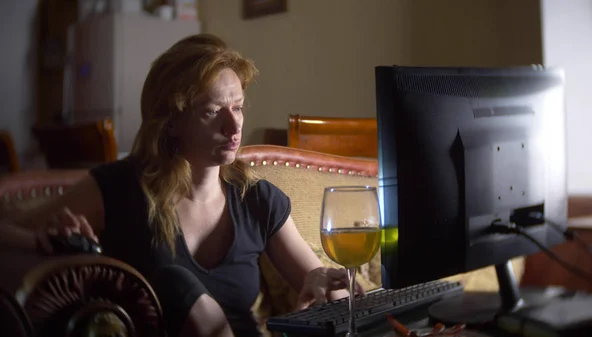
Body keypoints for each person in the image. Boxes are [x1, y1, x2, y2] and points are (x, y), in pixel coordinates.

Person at [0, 34, 361, 337]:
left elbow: (315, 280)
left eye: (237, 107)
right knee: (174, 281)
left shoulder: (256, 198)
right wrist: (42, 241)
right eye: (212, 111)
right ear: (171, 122)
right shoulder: (120, 188)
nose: (234, 127)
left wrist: (325, 284)